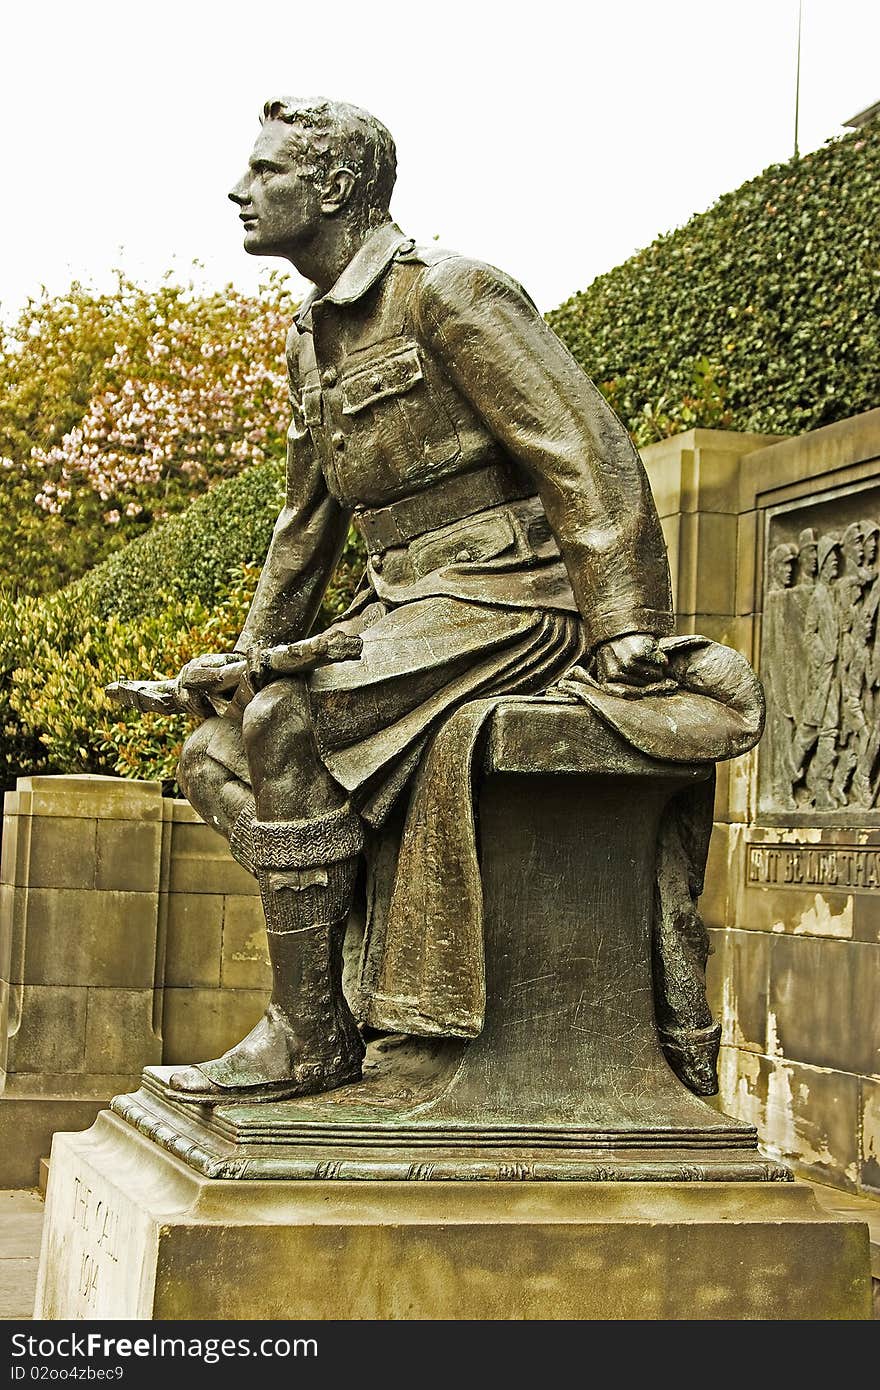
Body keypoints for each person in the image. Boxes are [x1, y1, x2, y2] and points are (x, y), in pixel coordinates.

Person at [145, 97, 688, 1102]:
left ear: (338, 188)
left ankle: (305, 1041)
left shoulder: (453, 292)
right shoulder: (309, 339)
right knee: (216, 748)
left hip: (513, 601)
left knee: (291, 725)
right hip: (403, 613)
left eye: (267, 172)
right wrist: (250, 651)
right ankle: (341, 1002)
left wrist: (625, 625)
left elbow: (585, 452)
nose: (239, 190)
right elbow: (305, 525)